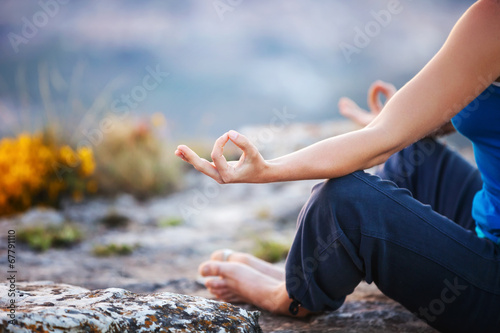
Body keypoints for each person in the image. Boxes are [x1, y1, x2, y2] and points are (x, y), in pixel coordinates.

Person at [175, 1, 500, 331]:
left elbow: (379, 142)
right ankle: (316, 272)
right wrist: (412, 120)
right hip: (488, 226)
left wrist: (267, 169)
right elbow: (400, 131)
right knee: (414, 159)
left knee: (347, 202)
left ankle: (294, 295)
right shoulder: (489, 19)